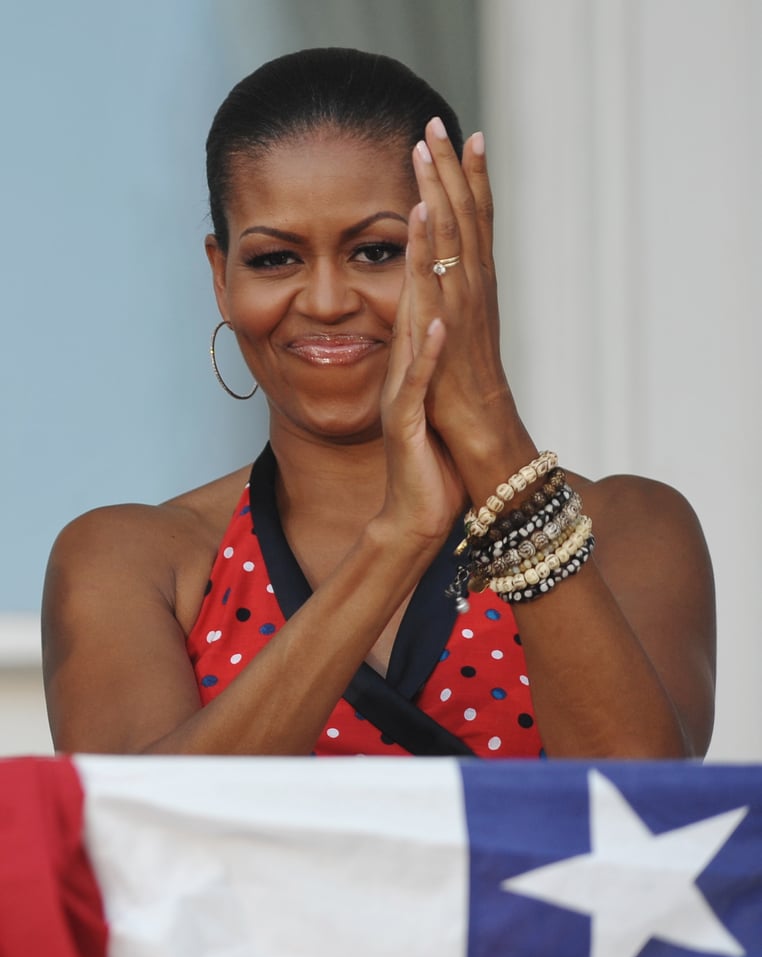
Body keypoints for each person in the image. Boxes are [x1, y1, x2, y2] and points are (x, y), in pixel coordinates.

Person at [41, 48, 716, 759]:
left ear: (465, 258)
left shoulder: (628, 529)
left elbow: (644, 824)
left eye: (377, 251)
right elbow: (137, 839)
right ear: (221, 276)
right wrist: (396, 542)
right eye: (275, 259)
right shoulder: (132, 559)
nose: (328, 302)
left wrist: (492, 441)